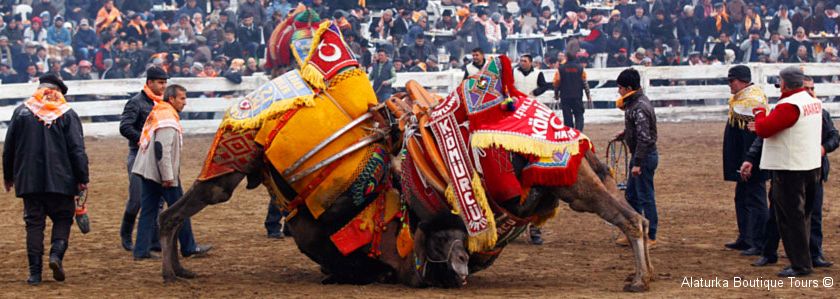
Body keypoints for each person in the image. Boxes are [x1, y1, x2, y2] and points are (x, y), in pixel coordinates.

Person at [3, 74, 89, 285]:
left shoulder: (21, 112)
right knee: (62, 219)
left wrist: (8, 176)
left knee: (34, 224)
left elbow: (9, 148)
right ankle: (56, 255)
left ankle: (35, 274)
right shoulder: (67, 114)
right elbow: (77, 150)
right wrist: (82, 178)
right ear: (57, 92)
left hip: (29, 181)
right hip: (62, 179)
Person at [746, 76, 837, 269]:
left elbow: (834, 137)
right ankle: (773, 252)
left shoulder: (802, 108)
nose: (810, 92)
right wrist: (750, 157)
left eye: (812, 88)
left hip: (797, 168)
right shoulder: (809, 108)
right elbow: (764, 138)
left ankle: (809, 256)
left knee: (801, 215)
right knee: (785, 215)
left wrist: (823, 149)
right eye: (807, 88)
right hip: (804, 167)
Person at [131, 84, 213, 260]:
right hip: (162, 174)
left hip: (148, 171)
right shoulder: (168, 118)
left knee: (148, 210)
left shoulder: (159, 112)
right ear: (172, 99)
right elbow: (163, 150)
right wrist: (168, 176)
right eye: (182, 98)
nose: (185, 102)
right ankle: (189, 247)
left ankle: (141, 250)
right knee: (181, 209)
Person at [118, 67, 168, 251]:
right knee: (137, 198)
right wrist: (144, 139)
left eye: (165, 83)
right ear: (150, 82)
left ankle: (154, 240)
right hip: (138, 154)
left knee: (159, 199)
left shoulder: (164, 104)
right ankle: (126, 232)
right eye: (160, 82)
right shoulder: (136, 102)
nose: (163, 86)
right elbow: (125, 127)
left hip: (157, 155)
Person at [721, 65, 769, 256]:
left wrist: (749, 159)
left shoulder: (751, 101)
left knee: (756, 199)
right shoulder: (742, 99)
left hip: (751, 159)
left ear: (741, 81)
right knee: (742, 197)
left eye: (731, 81)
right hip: (744, 157)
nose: (729, 85)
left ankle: (759, 241)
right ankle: (746, 237)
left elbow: (755, 136)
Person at [613, 68, 659, 247]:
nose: (619, 91)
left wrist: (638, 163)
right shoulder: (636, 103)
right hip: (642, 155)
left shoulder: (639, 107)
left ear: (628, 88)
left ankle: (651, 236)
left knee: (645, 196)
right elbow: (640, 130)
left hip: (644, 157)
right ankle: (634, 232)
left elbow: (644, 138)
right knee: (632, 195)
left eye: (620, 87)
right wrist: (625, 134)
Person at [552, 54, 591, 131]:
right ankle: (579, 132)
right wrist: (588, 95)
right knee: (579, 115)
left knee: (567, 116)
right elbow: (585, 82)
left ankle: (570, 133)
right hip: (577, 96)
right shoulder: (580, 68)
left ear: (566, 58)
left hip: (565, 96)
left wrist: (556, 94)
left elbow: (556, 83)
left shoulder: (560, 69)